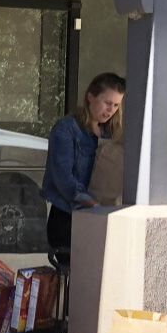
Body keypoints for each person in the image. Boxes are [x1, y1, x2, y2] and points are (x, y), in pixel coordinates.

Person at [42, 72, 126, 251]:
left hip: (99, 216)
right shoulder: (66, 129)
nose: (111, 110)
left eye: (116, 105)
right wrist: (94, 204)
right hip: (68, 218)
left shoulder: (110, 133)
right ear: (90, 97)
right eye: (107, 103)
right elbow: (64, 179)